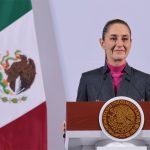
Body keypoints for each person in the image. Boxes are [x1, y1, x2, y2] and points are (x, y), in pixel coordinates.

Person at [76, 19, 150, 102]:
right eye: (113, 38)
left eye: (125, 39)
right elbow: (79, 114)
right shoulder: (88, 79)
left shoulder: (145, 81)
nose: (119, 44)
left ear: (130, 42)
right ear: (102, 43)